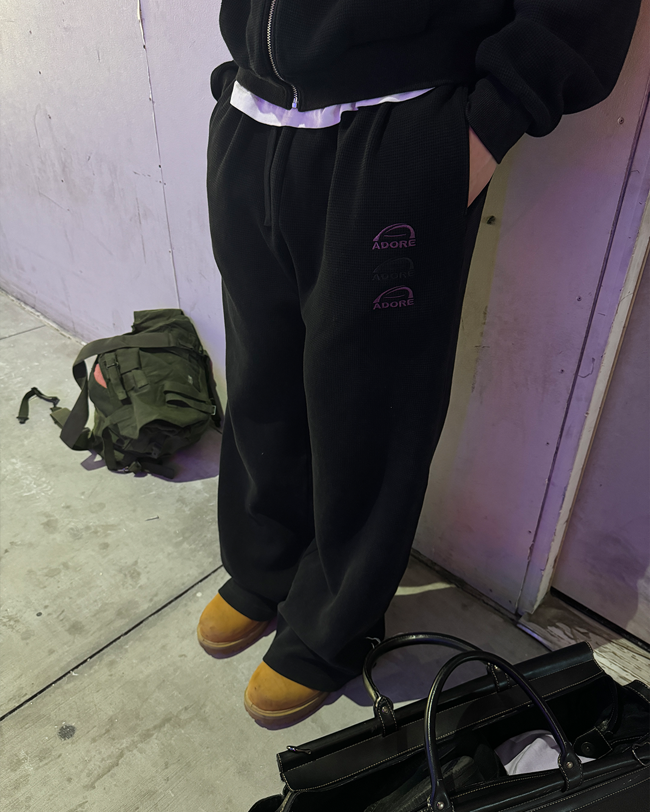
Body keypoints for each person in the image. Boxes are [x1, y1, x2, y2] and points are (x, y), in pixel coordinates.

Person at [197, 0, 641, 728]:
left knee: (368, 407)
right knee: (259, 375)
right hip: (254, 113)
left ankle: (334, 626)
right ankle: (265, 563)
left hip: (394, 129)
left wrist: (487, 125)